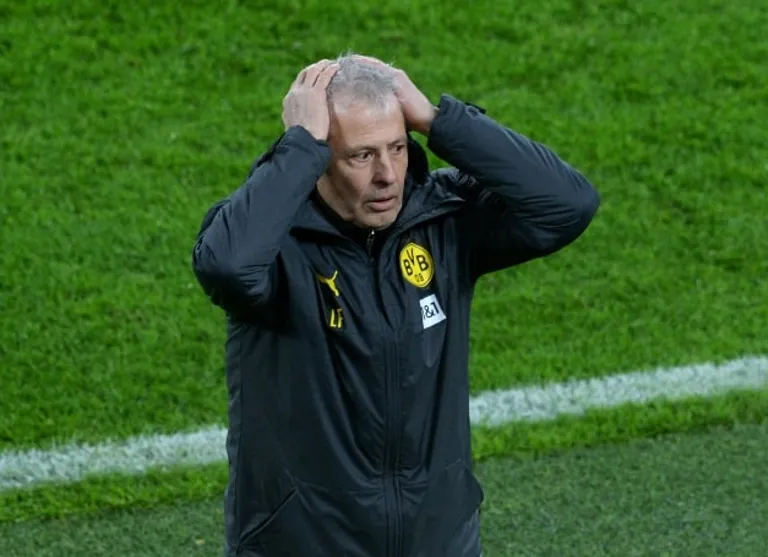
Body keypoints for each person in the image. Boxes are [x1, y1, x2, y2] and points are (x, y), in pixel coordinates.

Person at [192, 53, 600, 557]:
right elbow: (227, 268)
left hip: (438, 540)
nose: (387, 175)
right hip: (306, 544)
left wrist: (437, 120)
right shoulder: (273, 243)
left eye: (398, 148)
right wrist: (297, 147)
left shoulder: (442, 218)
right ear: (318, 159)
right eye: (361, 156)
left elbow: (569, 205)